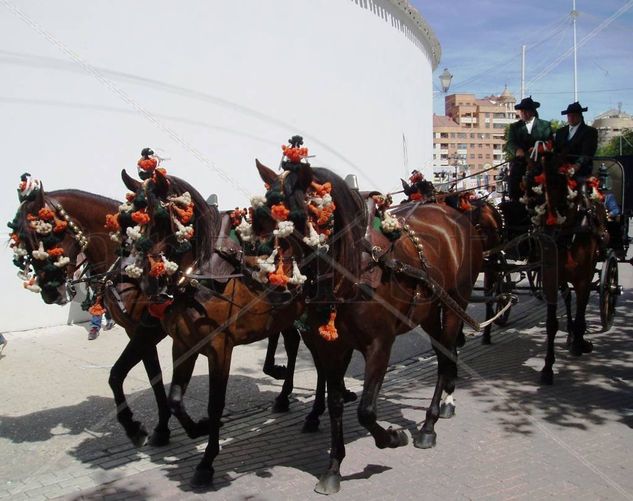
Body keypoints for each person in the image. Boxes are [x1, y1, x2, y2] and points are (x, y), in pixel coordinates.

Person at [506, 96, 553, 201]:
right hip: (521, 162)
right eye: (522, 111)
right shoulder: (514, 127)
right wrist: (517, 150)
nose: (523, 113)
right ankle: (515, 200)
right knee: (513, 180)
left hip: (540, 163)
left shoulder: (545, 125)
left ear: (532, 111)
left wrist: (539, 149)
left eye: (525, 110)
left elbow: (549, 142)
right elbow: (510, 142)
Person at [554, 101, 598, 183]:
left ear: (580, 116)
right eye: (569, 115)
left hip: (581, 172)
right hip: (561, 171)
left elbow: (587, 152)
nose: (571, 117)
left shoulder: (590, 131)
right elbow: (556, 150)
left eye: (574, 115)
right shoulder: (560, 132)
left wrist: (577, 165)